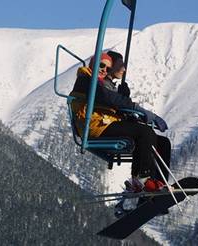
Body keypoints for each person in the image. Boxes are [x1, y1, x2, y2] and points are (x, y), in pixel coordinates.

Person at [69, 51, 171, 193]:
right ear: (93, 64)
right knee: (144, 132)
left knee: (163, 143)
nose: (104, 70)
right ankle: (142, 178)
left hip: (105, 123)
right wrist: (133, 106)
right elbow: (107, 98)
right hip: (95, 126)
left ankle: (157, 185)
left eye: (107, 68)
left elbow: (110, 102)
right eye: (101, 65)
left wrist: (133, 111)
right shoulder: (86, 80)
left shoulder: (97, 82)